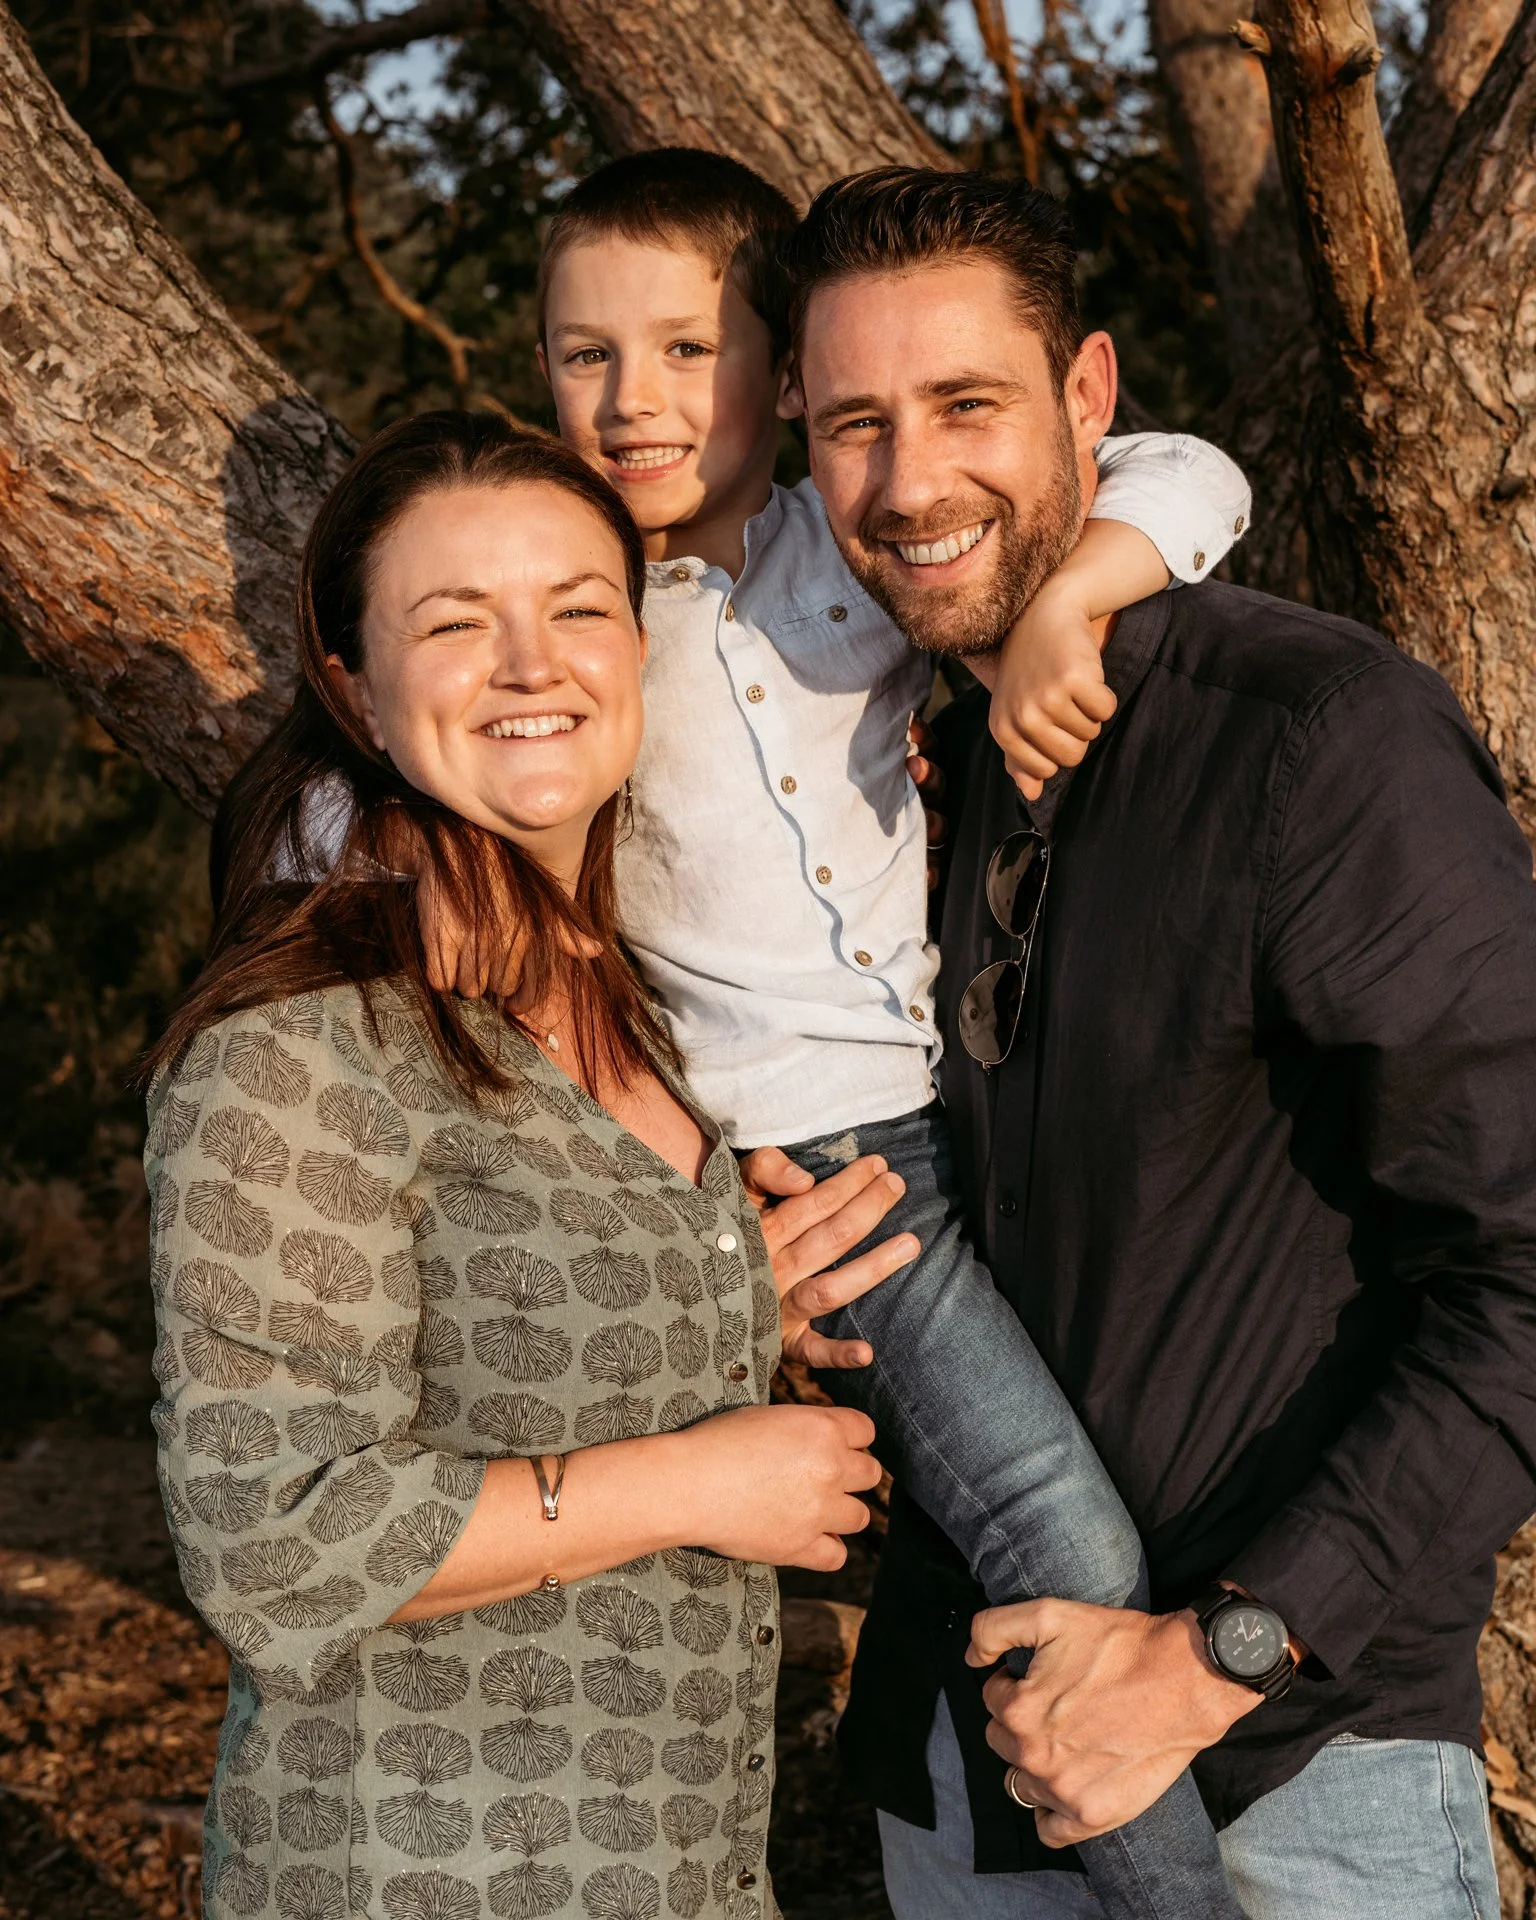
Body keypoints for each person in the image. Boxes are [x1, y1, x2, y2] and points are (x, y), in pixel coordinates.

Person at [409, 149, 1257, 1915]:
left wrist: (1074, 603)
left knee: (1082, 1507)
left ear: (785, 377)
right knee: (1067, 1542)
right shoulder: (578, 614)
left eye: (689, 350)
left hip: (973, 1110)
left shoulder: (840, 551)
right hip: (841, 1170)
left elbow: (1191, 471)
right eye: (585, 357)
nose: (636, 402)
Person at [776, 163, 1536, 1919]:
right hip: (957, 1770)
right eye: (851, 428)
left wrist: (1218, 1655)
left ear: (1091, 399)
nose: (908, 485)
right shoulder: (883, 784)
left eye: (967, 404)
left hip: (1293, 1773)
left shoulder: (1318, 743)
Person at [142, 412, 925, 1920]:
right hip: (425, 1876)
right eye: (455, 623)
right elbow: (272, 1540)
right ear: (356, 689)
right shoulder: (303, 1042)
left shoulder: (639, 993)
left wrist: (724, 1307)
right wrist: (704, 1478)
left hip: (681, 1874)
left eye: (578, 608)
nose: (531, 663)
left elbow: (492, 1329)